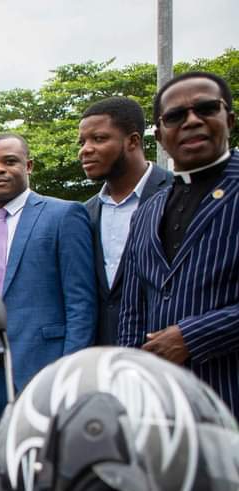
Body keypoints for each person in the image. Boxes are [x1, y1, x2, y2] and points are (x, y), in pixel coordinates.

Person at [119, 70, 239, 416]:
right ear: (159, 134)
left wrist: (193, 336)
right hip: (166, 411)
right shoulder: (147, 210)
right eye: (175, 116)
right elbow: (133, 310)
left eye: (205, 109)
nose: (191, 121)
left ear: (229, 119)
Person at [0, 133, 96, 431]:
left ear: (29, 166)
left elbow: (81, 304)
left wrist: (69, 376)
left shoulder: (64, 216)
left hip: (46, 369)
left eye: (9, 161)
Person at [79, 97, 173, 345]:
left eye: (99, 139)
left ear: (133, 141)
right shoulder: (84, 213)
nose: (85, 149)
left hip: (166, 354)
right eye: (83, 142)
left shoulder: (177, 193)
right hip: (101, 358)